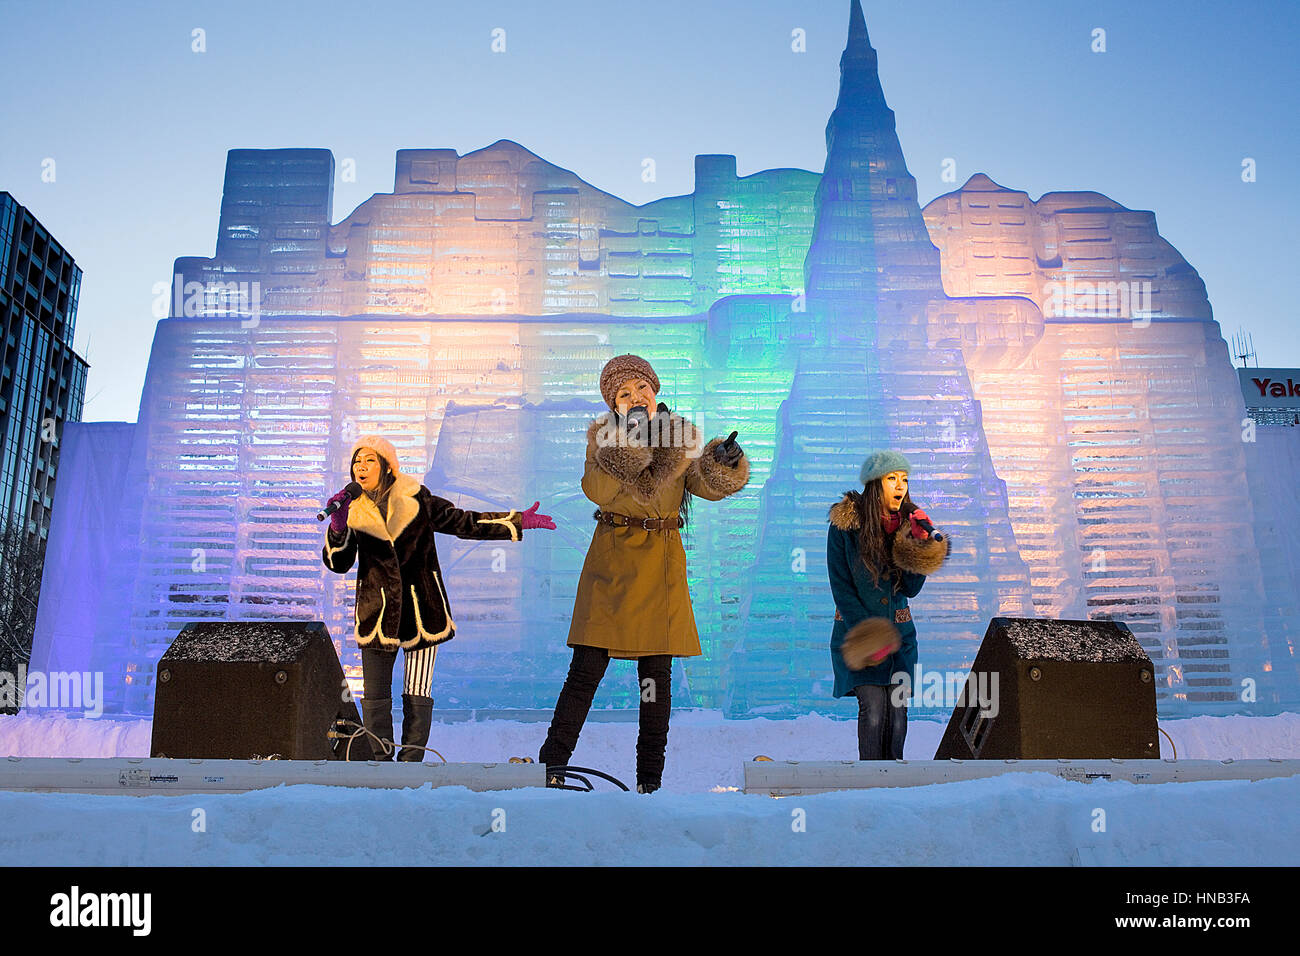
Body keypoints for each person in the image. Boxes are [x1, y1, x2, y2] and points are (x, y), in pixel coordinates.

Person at [538, 354, 750, 792]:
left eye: (643, 389)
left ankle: (649, 784)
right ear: (614, 405)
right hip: (611, 566)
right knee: (585, 672)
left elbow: (706, 488)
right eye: (625, 393)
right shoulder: (602, 441)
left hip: (661, 569)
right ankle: (549, 767)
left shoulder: (679, 438)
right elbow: (596, 490)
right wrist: (630, 447)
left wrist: (722, 463)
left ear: (656, 393)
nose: (637, 398)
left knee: (656, 682)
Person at [322, 434, 555, 760]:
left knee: (417, 692)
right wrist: (338, 527)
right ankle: (380, 766)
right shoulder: (353, 509)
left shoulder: (416, 498)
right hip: (376, 614)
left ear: (388, 466)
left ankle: (410, 766)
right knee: (375, 695)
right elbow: (338, 563)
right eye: (356, 461)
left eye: (369, 460)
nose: (360, 466)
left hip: (421, 611)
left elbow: (463, 521)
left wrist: (515, 521)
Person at [826, 451, 949, 760]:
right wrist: (867, 633)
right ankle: (871, 782)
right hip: (858, 633)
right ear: (874, 484)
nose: (900, 486)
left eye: (904, 479)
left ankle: (893, 782)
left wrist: (918, 549)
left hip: (899, 638)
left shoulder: (908, 526)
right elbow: (841, 586)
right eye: (891, 478)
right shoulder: (845, 526)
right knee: (874, 708)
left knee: (896, 712)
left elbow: (911, 589)